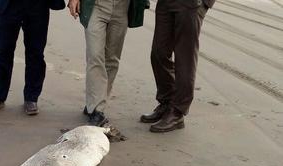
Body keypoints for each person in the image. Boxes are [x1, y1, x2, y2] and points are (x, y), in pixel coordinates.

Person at [68, 0, 149, 126]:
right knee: (95, 56)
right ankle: (97, 108)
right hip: (96, 6)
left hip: (122, 7)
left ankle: (94, 103)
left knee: (112, 60)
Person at [140, 0, 215, 132]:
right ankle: (167, 102)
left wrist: (205, 4)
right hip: (166, 3)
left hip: (192, 4)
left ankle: (177, 112)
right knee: (159, 53)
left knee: (185, 58)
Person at [0, 0, 65, 115]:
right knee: (2, 50)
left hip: (37, 5)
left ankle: (31, 98)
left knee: (36, 52)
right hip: (9, 5)